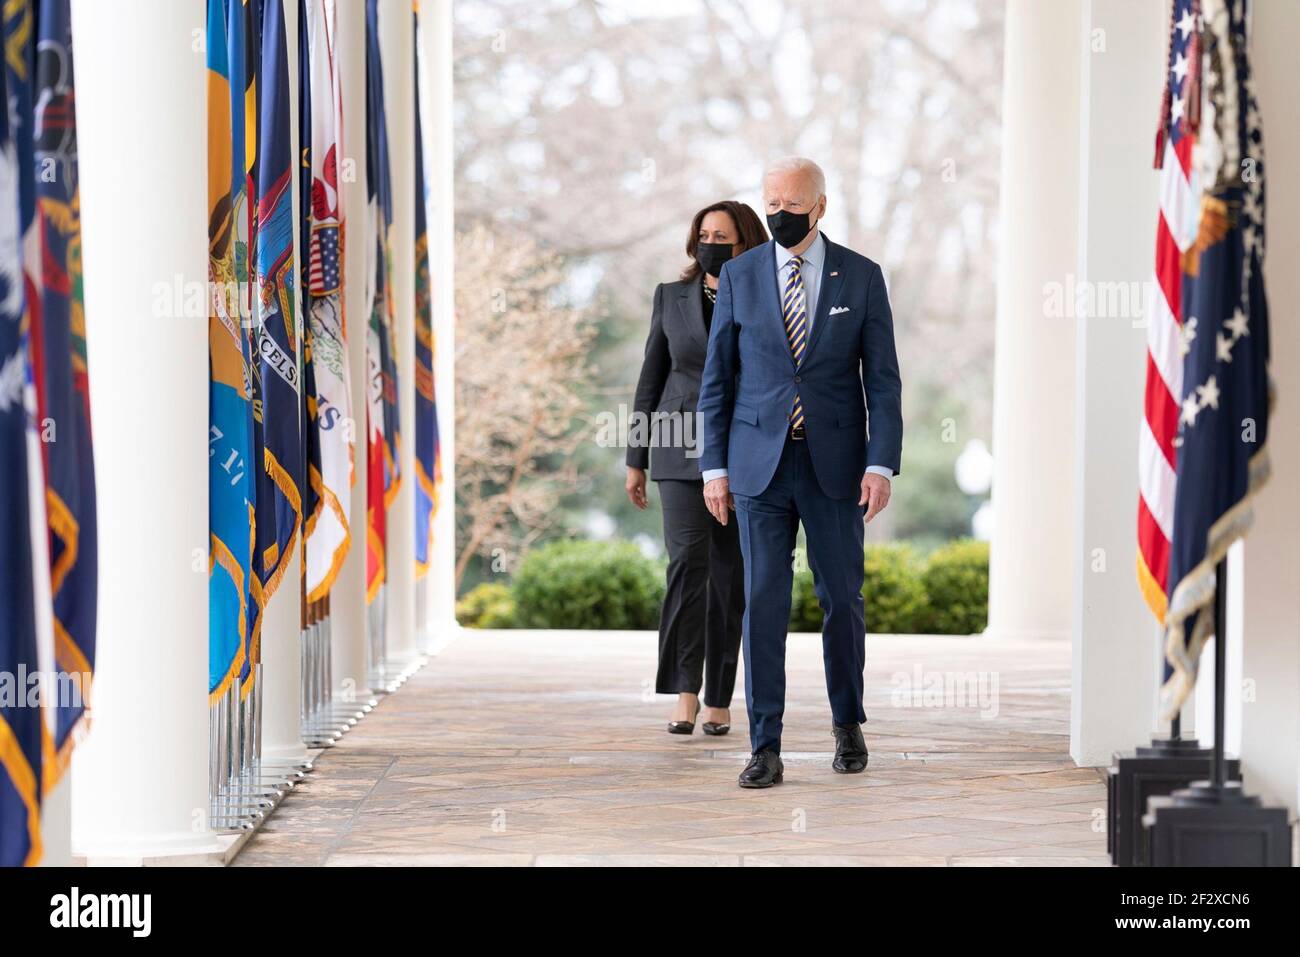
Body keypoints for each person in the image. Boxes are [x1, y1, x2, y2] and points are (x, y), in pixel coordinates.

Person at [697, 157, 903, 788]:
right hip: (759, 467)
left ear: (819, 206)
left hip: (836, 467)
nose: (776, 212)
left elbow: (884, 383)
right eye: (769, 201)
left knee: (841, 598)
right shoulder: (740, 274)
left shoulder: (861, 278)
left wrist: (880, 464)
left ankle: (847, 722)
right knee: (762, 602)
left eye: (789, 202)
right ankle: (765, 744)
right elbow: (718, 381)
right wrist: (714, 468)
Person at [626, 200, 769, 736]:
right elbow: (650, 379)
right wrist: (635, 459)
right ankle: (684, 691)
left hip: (743, 447)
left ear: (745, 244)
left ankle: (720, 696)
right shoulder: (670, 296)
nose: (711, 242)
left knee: (730, 575)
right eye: (704, 233)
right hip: (676, 444)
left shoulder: (763, 292)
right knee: (688, 565)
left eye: (723, 236)